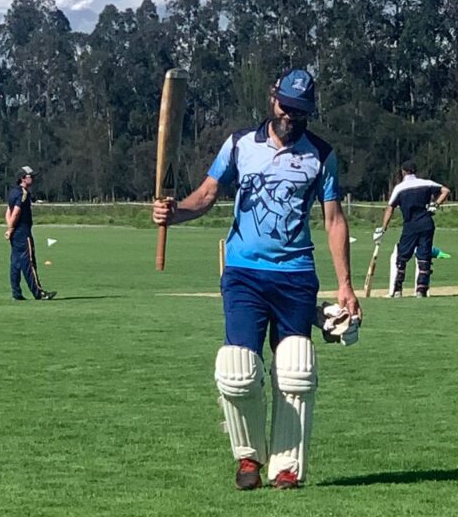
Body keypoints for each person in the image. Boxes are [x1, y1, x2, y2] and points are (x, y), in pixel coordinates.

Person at [152, 68, 361, 491]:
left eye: (301, 112)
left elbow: (334, 219)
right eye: (287, 107)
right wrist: (175, 213)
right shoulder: (240, 145)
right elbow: (207, 194)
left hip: (296, 274)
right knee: (238, 369)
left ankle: (287, 467)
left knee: (295, 368)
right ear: (273, 99)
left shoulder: (321, 154)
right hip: (244, 272)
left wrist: (345, 284)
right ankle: (248, 459)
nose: (292, 117)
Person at [374, 160, 450, 298]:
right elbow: (445, 191)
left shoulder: (400, 188)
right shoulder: (427, 183)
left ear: (403, 172)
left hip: (410, 225)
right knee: (424, 256)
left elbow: (390, 208)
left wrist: (383, 228)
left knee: (402, 257)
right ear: (415, 171)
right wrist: (435, 205)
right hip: (427, 223)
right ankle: (421, 290)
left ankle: (398, 289)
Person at [5, 166, 56, 301]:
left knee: (16, 263)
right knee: (29, 262)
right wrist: (10, 229)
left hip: (16, 232)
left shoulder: (12, 192)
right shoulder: (23, 193)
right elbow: (15, 212)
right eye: (30, 176)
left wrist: (9, 229)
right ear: (22, 178)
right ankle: (38, 293)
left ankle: (16, 293)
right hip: (22, 232)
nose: (32, 178)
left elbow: (8, 212)